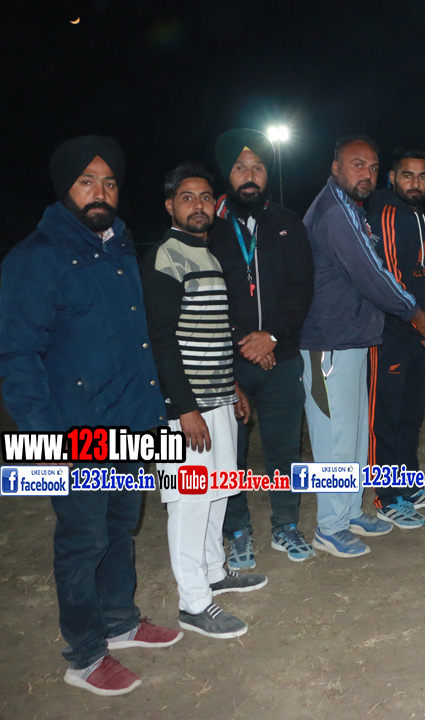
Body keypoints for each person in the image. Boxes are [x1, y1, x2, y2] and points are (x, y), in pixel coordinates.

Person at [0, 136, 181, 695]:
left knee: (120, 527)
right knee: (83, 542)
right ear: (65, 189)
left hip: (130, 422)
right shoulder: (36, 258)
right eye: (86, 181)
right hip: (75, 431)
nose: (100, 192)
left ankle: (120, 621)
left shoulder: (120, 250)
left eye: (109, 182)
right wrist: (46, 441)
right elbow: (18, 355)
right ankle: (84, 654)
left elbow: (136, 344)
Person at [301, 136, 425, 557]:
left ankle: (349, 513)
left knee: (351, 436)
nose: (365, 173)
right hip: (328, 342)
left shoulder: (350, 208)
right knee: (334, 439)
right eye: (356, 164)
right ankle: (329, 527)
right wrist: (416, 313)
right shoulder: (334, 212)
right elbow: (371, 272)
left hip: (353, 337)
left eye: (371, 166)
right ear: (335, 168)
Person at [143, 162, 268, 639]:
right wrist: (184, 409)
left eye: (204, 197)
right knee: (189, 502)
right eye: (186, 197)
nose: (197, 205)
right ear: (169, 205)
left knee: (217, 490)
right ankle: (193, 603)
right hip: (184, 409)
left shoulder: (208, 255)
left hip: (216, 398)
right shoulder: (165, 257)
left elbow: (212, 333)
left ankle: (214, 571)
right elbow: (161, 341)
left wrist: (231, 385)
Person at [208, 129, 315, 567]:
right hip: (227, 366)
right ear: (226, 174)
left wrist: (271, 335)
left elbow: (302, 289)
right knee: (229, 456)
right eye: (240, 167)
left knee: (284, 449)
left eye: (257, 167)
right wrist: (244, 344)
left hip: (281, 357)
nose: (249, 176)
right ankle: (237, 532)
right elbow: (202, 298)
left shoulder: (288, 222)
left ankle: (285, 525)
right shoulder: (207, 225)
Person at [366, 146, 425, 528]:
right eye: (407, 175)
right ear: (392, 177)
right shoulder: (386, 212)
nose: (415, 183)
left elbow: (414, 270)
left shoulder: (415, 214)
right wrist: (423, 322)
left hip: (415, 329)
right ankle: (387, 497)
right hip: (389, 332)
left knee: (410, 415)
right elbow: (386, 278)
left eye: (422, 176)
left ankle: (409, 486)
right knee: (385, 418)